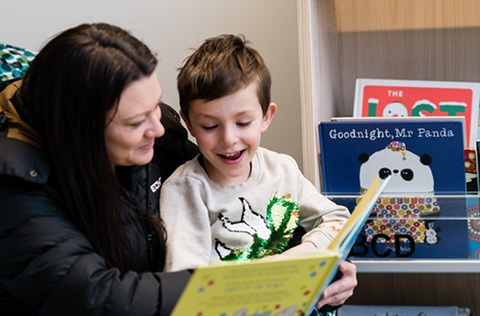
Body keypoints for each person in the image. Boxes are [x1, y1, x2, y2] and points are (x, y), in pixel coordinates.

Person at [0, 23, 199, 315]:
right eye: (135, 123)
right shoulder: (15, 186)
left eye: (156, 105)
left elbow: (215, 180)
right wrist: (239, 286)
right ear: (81, 131)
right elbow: (97, 296)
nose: (157, 128)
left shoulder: (146, 124)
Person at [160, 34, 357, 311]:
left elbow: (336, 220)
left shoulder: (282, 168)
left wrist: (303, 254)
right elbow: (189, 282)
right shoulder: (185, 189)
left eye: (243, 122)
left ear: (266, 116)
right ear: (189, 124)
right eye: (209, 126)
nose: (229, 139)